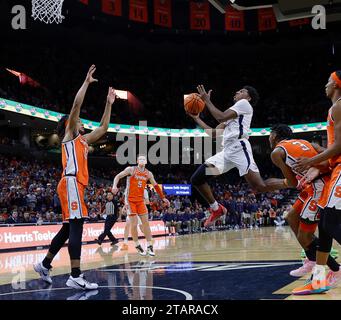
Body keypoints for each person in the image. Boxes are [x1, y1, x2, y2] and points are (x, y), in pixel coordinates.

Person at [34, 65, 117, 290]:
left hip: (73, 184)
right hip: (70, 182)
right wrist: (86, 83)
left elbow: (103, 127)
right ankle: (75, 275)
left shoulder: (83, 140)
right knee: (77, 225)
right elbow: (76, 105)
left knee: (66, 228)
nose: (82, 123)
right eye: (79, 121)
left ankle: (44, 264)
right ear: (69, 125)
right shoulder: (69, 135)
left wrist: (108, 104)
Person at [189, 85, 279, 227]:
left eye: (242, 91)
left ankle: (290, 182)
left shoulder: (244, 104)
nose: (237, 91)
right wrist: (197, 118)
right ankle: (216, 209)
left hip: (239, 148)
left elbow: (220, 116)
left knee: (259, 186)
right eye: (238, 90)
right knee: (197, 179)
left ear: (248, 98)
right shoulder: (232, 114)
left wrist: (207, 101)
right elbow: (213, 133)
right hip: (227, 154)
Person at [269, 124, 339, 279]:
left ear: (274, 136)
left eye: (270, 135)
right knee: (290, 217)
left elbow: (293, 183)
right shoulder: (304, 141)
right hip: (316, 184)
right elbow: (326, 155)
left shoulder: (277, 152)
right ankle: (311, 260)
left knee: (305, 237)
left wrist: (278, 183)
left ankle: (334, 269)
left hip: (319, 187)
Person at [292, 71, 341, 294]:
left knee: (329, 222)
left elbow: (339, 147)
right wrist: (318, 165)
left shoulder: (338, 107)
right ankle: (320, 279)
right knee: (324, 224)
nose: (325, 84)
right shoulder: (334, 108)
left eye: (329, 81)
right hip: (336, 168)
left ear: (337, 84)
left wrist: (311, 160)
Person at [112, 155, 170, 256]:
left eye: (144, 159)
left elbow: (156, 186)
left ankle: (149, 246)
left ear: (146, 161)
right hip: (130, 200)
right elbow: (118, 176)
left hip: (140, 201)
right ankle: (137, 245)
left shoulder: (148, 173)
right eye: (140, 159)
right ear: (137, 161)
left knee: (146, 224)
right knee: (133, 224)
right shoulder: (131, 169)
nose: (142, 160)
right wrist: (114, 186)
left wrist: (163, 197)